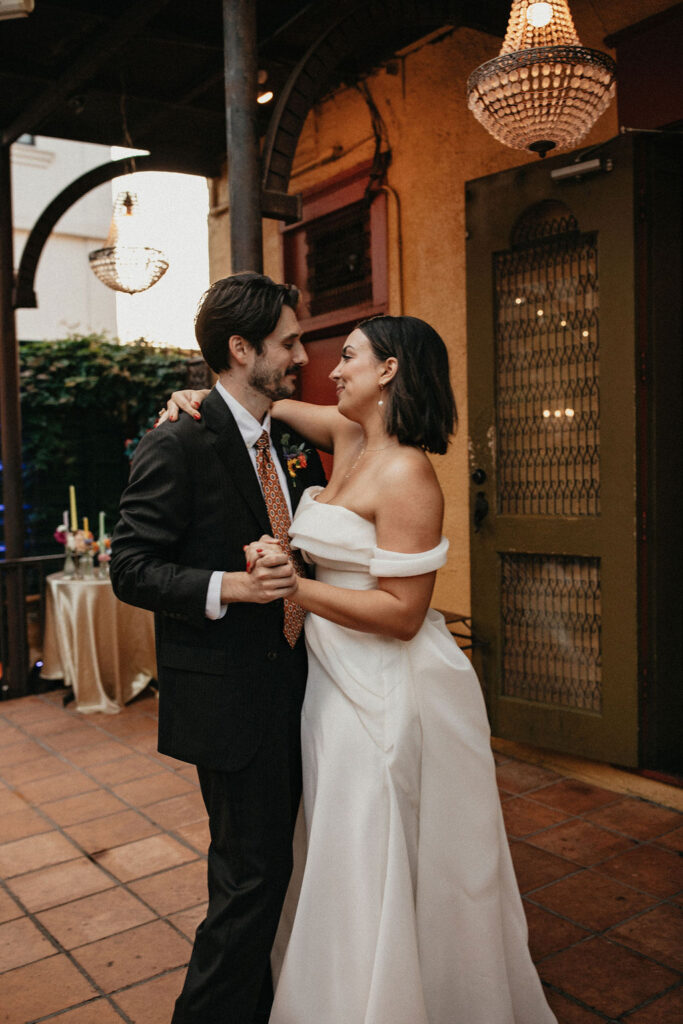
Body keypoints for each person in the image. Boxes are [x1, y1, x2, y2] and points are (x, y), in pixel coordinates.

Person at [164, 314, 558, 1024]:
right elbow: (262, 403)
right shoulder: (345, 434)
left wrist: (293, 587)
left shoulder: (408, 474)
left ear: (389, 370)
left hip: (388, 686)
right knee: (335, 845)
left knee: (371, 841)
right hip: (330, 675)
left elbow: (403, 614)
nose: (331, 369)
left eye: (348, 357)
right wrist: (197, 398)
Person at [110, 272, 326, 1024]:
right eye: (288, 342)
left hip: (301, 686)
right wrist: (231, 586)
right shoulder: (177, 441)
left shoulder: (288, 439)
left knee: (274, 872)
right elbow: (130, 568)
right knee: (248, 882)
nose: (302, 355)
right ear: (241, 348)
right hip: (231, 701)